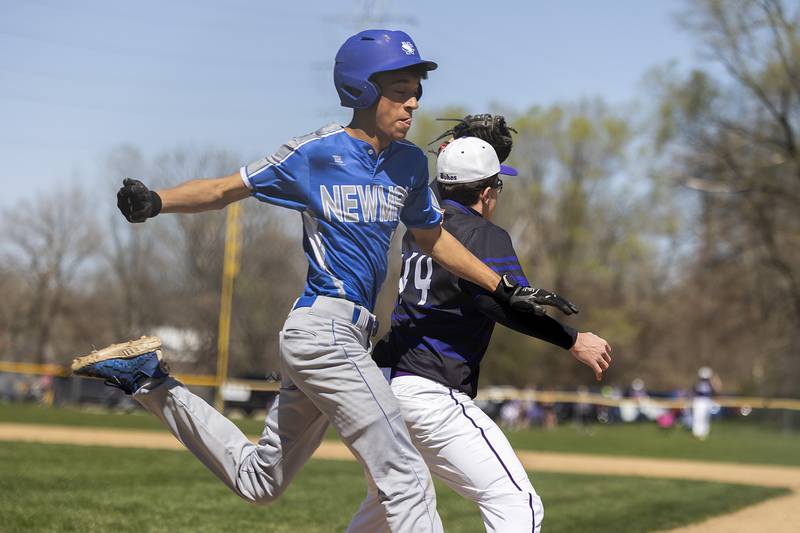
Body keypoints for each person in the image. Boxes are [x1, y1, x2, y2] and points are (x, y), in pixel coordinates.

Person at [70, 31, 551, 533]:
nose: (414, 101)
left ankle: (147, 379)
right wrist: (157, 200)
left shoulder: (409, 164)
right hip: (322, 331)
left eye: (417, 90)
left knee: (260, 479)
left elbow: (433, 238)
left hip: (348, 341)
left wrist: (502, 288)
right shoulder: (314, 154)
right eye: (401, 88)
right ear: (363, 90)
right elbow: (221, 189)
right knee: (406, 477)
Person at [347, 121, 612, 533]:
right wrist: (572, 340)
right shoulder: (484, 235)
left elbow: (439, 193)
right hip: (430, 390)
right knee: (516, 504)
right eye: (497, 186)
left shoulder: (422, 228)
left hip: (381, 386)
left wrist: (456, 155)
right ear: (488, 193)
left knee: (386, 507)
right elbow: (502, 303)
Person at [692, 366, 716, 440]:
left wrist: (713, 380)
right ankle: (697, 433)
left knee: (705, 418)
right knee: (698, 417)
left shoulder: (711, 384)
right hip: (698, 401)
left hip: (706, 401)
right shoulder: (698, 384)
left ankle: (704, 433)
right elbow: (694, 391)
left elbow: (716, 390)